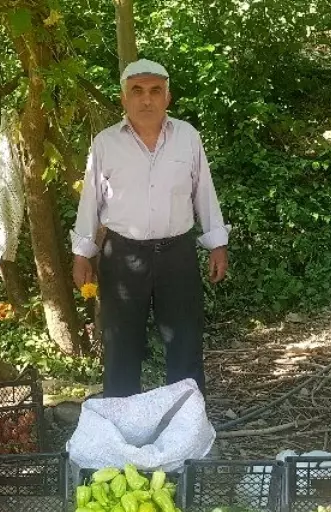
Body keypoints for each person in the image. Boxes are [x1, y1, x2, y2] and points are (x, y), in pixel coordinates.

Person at [72, 59, 230, 398]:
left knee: (185, 341)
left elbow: (203, 190)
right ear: (123, 99)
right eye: (137, 91)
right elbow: (90, 200)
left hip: (178, 254)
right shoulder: (105, 143)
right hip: (123, 255)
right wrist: (83, 253)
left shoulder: (187, 137)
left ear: (167, 98)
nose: (147, 100)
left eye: (155, 91)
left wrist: (217, 243)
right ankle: (121, 430)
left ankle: (185, 428)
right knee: (121, 344)